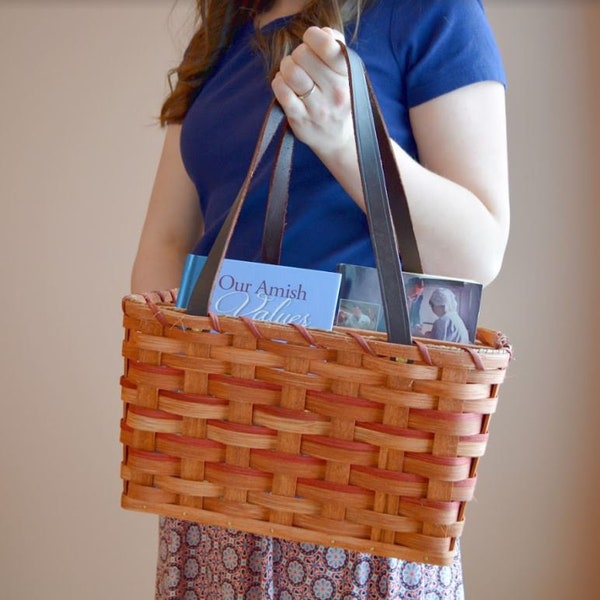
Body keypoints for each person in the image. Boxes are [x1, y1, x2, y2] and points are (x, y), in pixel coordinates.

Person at [131, 1, 510, 597]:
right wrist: (171, 374)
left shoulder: (430, 11)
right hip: (218, 444)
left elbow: (479, 249)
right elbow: (170, 235)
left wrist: (348, 144)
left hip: (359, 461)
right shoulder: (224, 32)